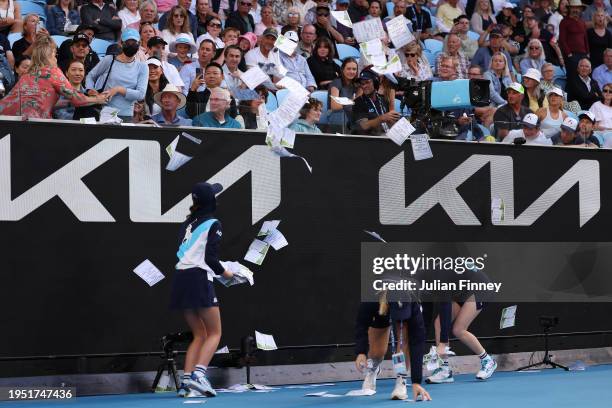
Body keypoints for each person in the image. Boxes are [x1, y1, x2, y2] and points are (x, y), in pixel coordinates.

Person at [172, 181, 233, 398]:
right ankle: (199, 375)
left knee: (199, 334)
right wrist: (228, 274)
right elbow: (210, 259)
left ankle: (186, 381)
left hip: (180, 279)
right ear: (212, 201)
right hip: (198, 278)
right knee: (215, 333)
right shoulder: (214, 223)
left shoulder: (187, 223)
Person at [0, 34, 108, 118]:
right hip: (32, 124)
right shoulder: (52, 72)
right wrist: (98, 99)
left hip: (7, 120)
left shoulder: (27, 74)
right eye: (55, 54)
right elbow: (77, 99)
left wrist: (67, 103)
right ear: (50, 53)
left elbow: (38, 101)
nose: (56, 58)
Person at [355, 300, 431, 401]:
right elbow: (361, 325)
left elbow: (417, 341)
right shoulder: (372, 298)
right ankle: (374, 368)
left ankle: (401, 379)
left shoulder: (412, 304)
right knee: (376, 353)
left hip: (405, 311)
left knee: (404, 332)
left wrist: (416, 382)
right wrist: (361, 352)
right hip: (381, 309)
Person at [85, 28, 149, 122]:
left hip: (127, 114)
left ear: (139, 44)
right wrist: (90, 89)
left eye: (134, 43)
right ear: (121, 43)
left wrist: (118, 89)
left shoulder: (142, 67)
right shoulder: (109, 60)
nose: (131, 45)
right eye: (128, 42)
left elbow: (140, 95)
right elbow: (91, 76)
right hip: (105, 111)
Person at [352, 69, 399, 136]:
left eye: (367, 82)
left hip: (385, 137)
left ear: (375, 83)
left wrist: (396, 120)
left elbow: (389, 122)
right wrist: (381, 118)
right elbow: (364, 125)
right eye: (362, 84)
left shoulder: (383, 100)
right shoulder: (358, 102)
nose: (364, 86)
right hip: (368, 141)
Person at [558, 0, 589, 81]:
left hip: (583, 54)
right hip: (572, 55)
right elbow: (562, 40)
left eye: (578, 8)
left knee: (584, 77)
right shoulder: (564, 22)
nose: (576, 10)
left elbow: (585, 38)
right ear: (569, 9)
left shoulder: (582, 22)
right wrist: (569, 54)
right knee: (573, 77)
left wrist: (587, 53)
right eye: (573, 8)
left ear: (581, 9)